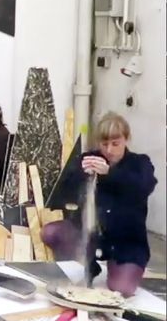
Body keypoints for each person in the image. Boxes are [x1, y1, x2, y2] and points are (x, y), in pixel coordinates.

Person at [41, 112, 157, 297]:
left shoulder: (140, 163)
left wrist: (109, 173)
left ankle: (120, 269)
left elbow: (143, 187)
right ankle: (88, 265)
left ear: (126, 139)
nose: (109, 150)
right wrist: (80, 174)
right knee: (51, 232)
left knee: (122, 289)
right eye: (104, 144)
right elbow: (62, 194)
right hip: (91, 235)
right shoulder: (89, 158)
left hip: (126, 243)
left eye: (115, 144)